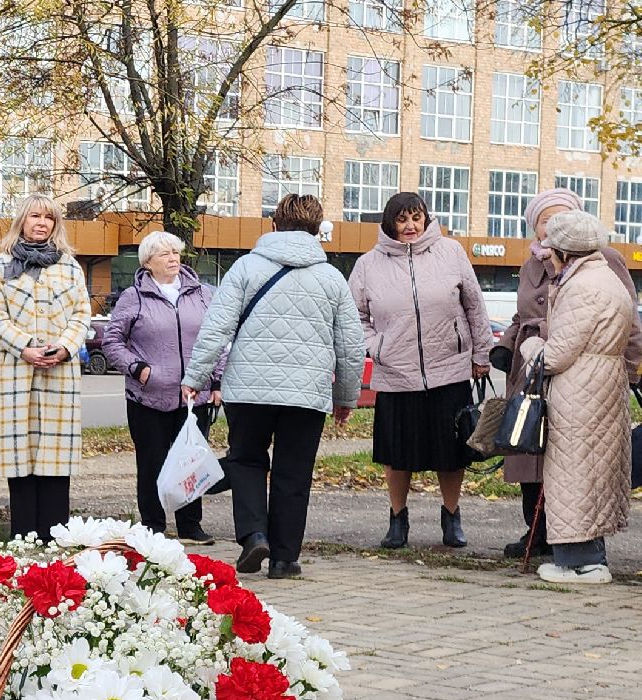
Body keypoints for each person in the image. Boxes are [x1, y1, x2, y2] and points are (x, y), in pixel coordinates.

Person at [184, 194, 361, 578]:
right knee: (293, 472)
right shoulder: (331, 278)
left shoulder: (246, 268)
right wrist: (346, 397)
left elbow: (216, 328)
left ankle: (253, 534)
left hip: (247, 390)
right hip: (307, 393)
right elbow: (350, 346)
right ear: (317, 231)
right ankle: (284, 558)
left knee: (246, 460)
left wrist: (194, 378)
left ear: (274, 225)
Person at [494, 188, 642, 560]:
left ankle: (578, 544)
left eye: (560, 218)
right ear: (534, 226)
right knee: (529, 448)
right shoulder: (529, 264)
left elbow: (626, 317)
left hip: (574, 370)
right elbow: (521, 314)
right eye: (545, 220)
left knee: (575, 457)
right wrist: (508, 345)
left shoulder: (603, 261)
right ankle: (537, 529)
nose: (551, 226)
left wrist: (631, 364)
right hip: (533, 372)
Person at [349, 192, 493, 550]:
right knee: (397, 453)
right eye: (403, 219)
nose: (411, 226)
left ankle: (451, 515)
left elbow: (474, 306)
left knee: (451, 451)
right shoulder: (368, 264)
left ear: (426, 219)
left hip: (449, 369)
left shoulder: (452, 252)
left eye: (417, 218)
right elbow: (355, 319)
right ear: (390, 223)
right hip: (396, 373)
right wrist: (377, 346)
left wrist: (481, 353)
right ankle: (398, 518)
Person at [518, 211, 634, 584]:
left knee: (574, 472)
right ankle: (589, 557)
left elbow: (557, 354)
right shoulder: (605, 278)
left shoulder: (583, 287)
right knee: (594, 470)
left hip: (579, 389)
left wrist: (531, 345)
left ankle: (579, 562)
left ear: (565, 252)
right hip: (604, 384)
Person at [0, 194, 91, 542]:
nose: (41, 223)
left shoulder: (70, 266)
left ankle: (56, 542)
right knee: (22, 461)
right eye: (35, 216)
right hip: (16, 375)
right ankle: (23, 542)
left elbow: (82, 313)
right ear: (21, 221)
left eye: (49, 218)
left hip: (59, 375)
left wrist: (65, 347)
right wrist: (24, 347)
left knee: (55, 464)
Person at [99, 229, 218, 544]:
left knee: (190, 462)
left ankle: (190, 525)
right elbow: (111, 340)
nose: (173, 258)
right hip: (147, 397)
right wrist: (138, 369)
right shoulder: (133, 297)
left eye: (176, 252)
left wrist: (216, 379)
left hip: (194, 396)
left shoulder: (204, 294)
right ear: (147, 262)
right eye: (165, 254)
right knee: (151, 462)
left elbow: (219, 340)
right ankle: (153, 525)